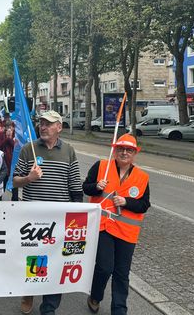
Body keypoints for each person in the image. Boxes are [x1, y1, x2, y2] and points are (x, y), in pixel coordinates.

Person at [13, 110, 83, 315]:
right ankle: (30, 291)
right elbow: (15, 181)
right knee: (36, 258)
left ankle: (49, 307)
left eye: (48, 123)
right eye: (41, 123)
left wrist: (79, 213)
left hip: (60, 220)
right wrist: (29, 178)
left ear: (59, 127)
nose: (43, 126)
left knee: (56, 262)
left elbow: (74, 186)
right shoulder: (28, 149)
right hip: (34, 219)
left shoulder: (69, 151)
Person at [82, 133, 150, 315]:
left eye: (129, 150)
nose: (124, 153)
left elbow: (144, 205)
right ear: (115, 150)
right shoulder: (101, 166)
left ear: (134, 153)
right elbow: (85, 187)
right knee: (104, 267)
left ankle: (119, 310)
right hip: (103, 227)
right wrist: (97, 186)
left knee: (122, 273)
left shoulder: (142, 177)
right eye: (121, 149)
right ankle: (95, 295)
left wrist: (127, 202)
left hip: (127, 233)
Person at [0, 125, 17, 201]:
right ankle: (0, 198)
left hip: (14, 165)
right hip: (4, 165)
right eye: (7, 131)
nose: (9, 132)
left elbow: (15, 146)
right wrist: (6, 139)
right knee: (3, 183)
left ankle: (15, 199)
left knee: (15, 184)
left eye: (11, 130)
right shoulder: (1, 137)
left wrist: (10, 139)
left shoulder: (16, 138)